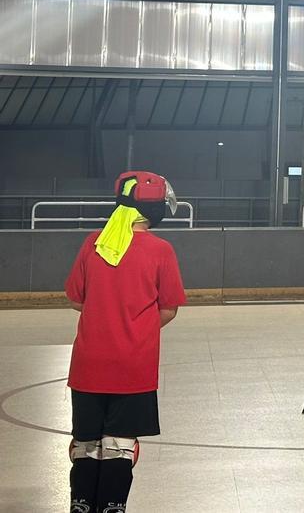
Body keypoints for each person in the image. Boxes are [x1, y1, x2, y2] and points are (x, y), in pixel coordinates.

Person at [65, 171, 187, 513]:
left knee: (85, 445)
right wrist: (138, 328)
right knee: (120, 445)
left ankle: (81, 505)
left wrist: (104, 315)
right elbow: (169, 308)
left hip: (88, 366)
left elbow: (76, 298)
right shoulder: (161, 250)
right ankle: (113, 507)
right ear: (154, 208)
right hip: (133, 367)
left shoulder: (94, 243)